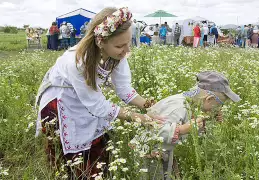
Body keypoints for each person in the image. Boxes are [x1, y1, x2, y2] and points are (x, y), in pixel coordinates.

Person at [35, 7, 164, 179]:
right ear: (101, 42)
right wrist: (136, 117)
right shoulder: (78, 61)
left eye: (129, 43)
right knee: (73, 153)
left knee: (97, 141)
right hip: (61, 103)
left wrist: (149, 106)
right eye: (120, 45)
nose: (127, 50)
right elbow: (96, 105)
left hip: (86, 98)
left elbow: (124, 89)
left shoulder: (118, 55)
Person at [143, 71, 241, 179]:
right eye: (219, 105)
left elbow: (193, 128)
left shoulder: (191, 103)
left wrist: (210, 120)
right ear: (208, 99)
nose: (219, 109)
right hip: (149, 156)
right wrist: (181, 129)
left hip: (164, 153)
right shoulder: (178, 107)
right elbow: (154, 131)